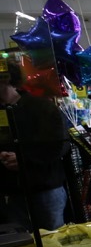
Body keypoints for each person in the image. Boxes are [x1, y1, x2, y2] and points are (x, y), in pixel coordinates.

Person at [0, 57, 69, 231]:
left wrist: (25, 159)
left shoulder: (42, 108)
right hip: (11, 194)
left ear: (6, 78)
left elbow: (60, 145)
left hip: (45, 189)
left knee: (53, 244)